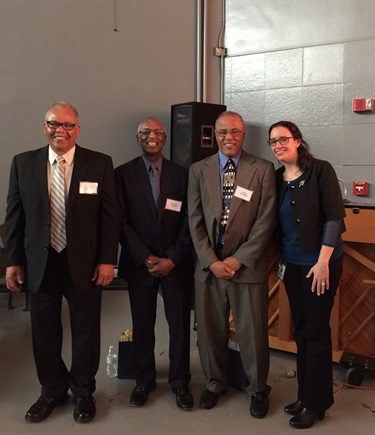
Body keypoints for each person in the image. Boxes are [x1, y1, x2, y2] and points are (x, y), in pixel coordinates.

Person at [4, 102, 120, 424]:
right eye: (54, 124)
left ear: (78, 129)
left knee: (86, 331)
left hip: (84, 263)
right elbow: (14, 217)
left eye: (68, 125)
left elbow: (110, 218)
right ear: (45, 127)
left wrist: (108, 260)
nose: (61, 130)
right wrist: (12, 260)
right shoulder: (23, 163)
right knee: (44, 331)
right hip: (39, 262)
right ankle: (53, 390)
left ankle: (83, 392)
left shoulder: (99, 163)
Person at [188, 111, 276, 418]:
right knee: (209, 332)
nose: (229, 137)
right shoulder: (198, 170)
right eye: (223, 132)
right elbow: (194, 220)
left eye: (235, 132)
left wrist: (238, 259)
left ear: (244, 135)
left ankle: (257, 389)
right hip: (209, 269)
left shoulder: (263, 169)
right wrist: (211, 261)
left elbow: (266, 221)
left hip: (247, 267)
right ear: (215, 134)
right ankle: (214, 383)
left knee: (252, 333)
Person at [267, 121, 345, 429]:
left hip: (320, 266)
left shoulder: (320, 170)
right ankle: (306, 396)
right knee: (301, 331)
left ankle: (316, 403)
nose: (278, 145)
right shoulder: (276, 178)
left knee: (316, 333)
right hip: (292, 266)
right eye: (273, 141)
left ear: (298, 140)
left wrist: (323, 261)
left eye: (284, 139)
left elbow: (334, 218)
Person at [115, 117, 194, 411]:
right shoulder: (121, 175)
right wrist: (146, 257)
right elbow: (120, 221)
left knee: (179, 326)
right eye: (146, 132)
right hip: (141, 265)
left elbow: (189, 220)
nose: (153, 136)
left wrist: (172, 258)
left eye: (158, 132)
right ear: (137, 139)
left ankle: (179, 382)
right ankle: (143, 380)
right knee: (143, 325)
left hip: (176, 264)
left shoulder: (181, 174)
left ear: (165, 138)